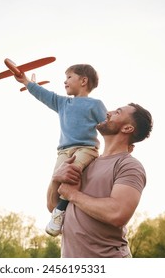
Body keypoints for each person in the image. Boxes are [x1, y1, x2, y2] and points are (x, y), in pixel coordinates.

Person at [48, 103, 153, 257]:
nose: (108, 112)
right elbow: (53, 207)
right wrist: (56, 180)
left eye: (117, 112)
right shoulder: (85, 161)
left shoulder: (129, 166)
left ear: (127, 128)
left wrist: (73, 195)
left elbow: (117, 214)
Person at [14, 64, 107, 236]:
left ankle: (59, 213)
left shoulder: (95, 104)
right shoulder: (62, 103)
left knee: (71, 173)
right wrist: (26, 82)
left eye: (69, 77)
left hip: (86, 149)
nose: (65, 81)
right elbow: (44, 95)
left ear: (83, 81)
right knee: (56, 180)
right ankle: (58, 209)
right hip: (64, 151)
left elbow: (108, 128)